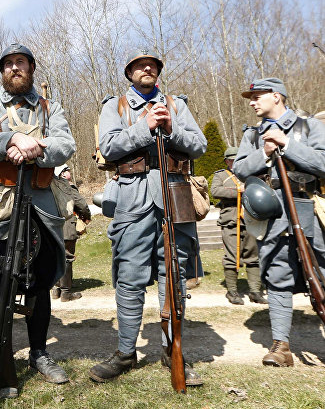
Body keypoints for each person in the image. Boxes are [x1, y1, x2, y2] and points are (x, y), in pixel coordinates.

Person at [0, 43, 76, 398]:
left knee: (40, 281)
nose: (14, 68)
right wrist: (10, 138)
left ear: (31, 68)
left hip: (40, 205)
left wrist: (33, 147)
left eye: (20, 62)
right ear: (2, 71)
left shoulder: (49, 107)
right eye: (8, 64)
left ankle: (39, 353)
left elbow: (65, 143)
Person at [89, 50, 206, 386]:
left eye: (152, 66)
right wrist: (145, 127)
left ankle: (173, 351)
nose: (147, 69)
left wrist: (171, 128)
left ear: (158, 72)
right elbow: (108, 148)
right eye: (140, 66)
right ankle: (126, 352)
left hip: (175, 193)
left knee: (175, 275)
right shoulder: (115, 107)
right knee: (129, 276)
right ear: (129, 73)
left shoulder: (177, 104)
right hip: (133, 196)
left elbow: (199, 144)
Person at [232, 77, 325, 367]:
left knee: (322, 268)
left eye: (258, 96)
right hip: (272, 213)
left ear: (277, 96)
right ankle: (281, 346)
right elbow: (239, 168)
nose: (252, 102)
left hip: (309, 207)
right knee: (276, 273)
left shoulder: (310, 127)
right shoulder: (252, 135)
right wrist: (265, 152)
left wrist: (287, 144)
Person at [209, 146, 266, 305]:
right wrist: (238, 190)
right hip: (231, 221)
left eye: (237, 160)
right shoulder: (221, 175)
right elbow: (216, 191)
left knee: (253, 256)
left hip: (250, 220)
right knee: (232, 257)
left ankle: (255, 291)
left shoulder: (251, 175)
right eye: (231, 160)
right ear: (226, 161)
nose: (234, 163)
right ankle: (232, 292)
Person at [51, 166, 91, 302]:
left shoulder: (48, 185)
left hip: (52, 228)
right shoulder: (67, 186)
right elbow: (82, 204)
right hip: (67, 227)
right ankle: (66, 293)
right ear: (62, 174)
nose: (69, 172)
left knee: (55, 257)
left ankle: (55, 290)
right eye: (66, 170)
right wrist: (87, 216)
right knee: (67, 257)